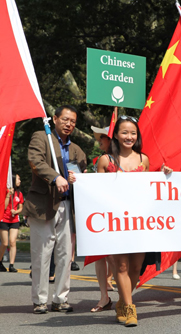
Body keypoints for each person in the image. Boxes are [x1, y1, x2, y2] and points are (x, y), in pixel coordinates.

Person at [95, 116, 172, 327]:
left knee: (136, 268)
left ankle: (122, 301)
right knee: (120, 266)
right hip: (115, 223)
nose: (129, 137)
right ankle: (129, 308)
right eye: (124, 132)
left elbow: (149, 188)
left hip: (139, 223)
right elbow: (95, 192)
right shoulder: (105, 161)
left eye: (133, 133)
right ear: (116, 135)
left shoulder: (144, 160)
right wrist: (78, 180)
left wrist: (164, 174)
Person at [23, 105, 87, 314]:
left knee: (65, 255)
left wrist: (79, 178)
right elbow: (35, 161)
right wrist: (55, 177)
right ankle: (40, 300)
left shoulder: (77, 149)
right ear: (55, 119)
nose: (69, 124)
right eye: (65, 119)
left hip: (68, 205)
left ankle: (60, 298)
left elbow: (84, 173)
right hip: (44, 204)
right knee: (41, 254)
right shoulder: (42, 137)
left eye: (73, 122)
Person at [89, 126, 115, 313]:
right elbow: (98, 186)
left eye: (103, 137)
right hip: (104, 212)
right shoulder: (103, 160)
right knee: (100, 255)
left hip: (127, 216)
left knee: (119, 257)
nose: (100, 140)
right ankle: (104, 296)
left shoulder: (135, 157)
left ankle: (125, 297)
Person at [0, 174, 24, 272]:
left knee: (12, 242)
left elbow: (21, 207)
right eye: (18, 179)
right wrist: (7, 196)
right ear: (13, 180)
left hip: (14, 220)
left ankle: (11, 264)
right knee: (5, 243)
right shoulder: (6, 192)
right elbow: (4, 207)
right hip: (4, 220)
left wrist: (16, 211)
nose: (20, 181)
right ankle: (0, 261)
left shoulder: (20, 194)